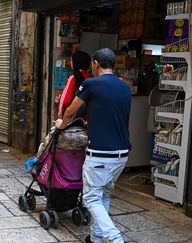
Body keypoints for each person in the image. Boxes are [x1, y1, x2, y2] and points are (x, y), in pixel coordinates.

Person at [55, 48, 131, 243]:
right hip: (122, 154)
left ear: (96, 63)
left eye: (93, 64)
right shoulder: (124, 87)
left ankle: (115, 239)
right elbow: (112, 115)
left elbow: (71, 110)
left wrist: (61, 124)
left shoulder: (91, 84)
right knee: (103, 195)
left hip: (101, 154)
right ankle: (95, 238)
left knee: (91, 198)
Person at [58, 50, 91, 119]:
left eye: (71, 61)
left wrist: (61, 116)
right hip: (87, 120)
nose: (70, 63)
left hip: (73, 119)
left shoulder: (73, 78)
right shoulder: (90, 78)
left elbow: (65, 101)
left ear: (76, 62)